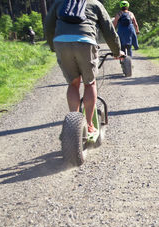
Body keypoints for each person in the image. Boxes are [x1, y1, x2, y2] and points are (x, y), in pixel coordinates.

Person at [45, 0, 124, 134]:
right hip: (85, 41)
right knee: (89, 83)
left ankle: (74, 127)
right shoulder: (95, 3)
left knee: (73, 84)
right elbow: (108, 29)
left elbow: (48, 26)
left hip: (61, 42)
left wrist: (54, 47)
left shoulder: (60, 3)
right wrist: (117, 51)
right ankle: (88, 125)